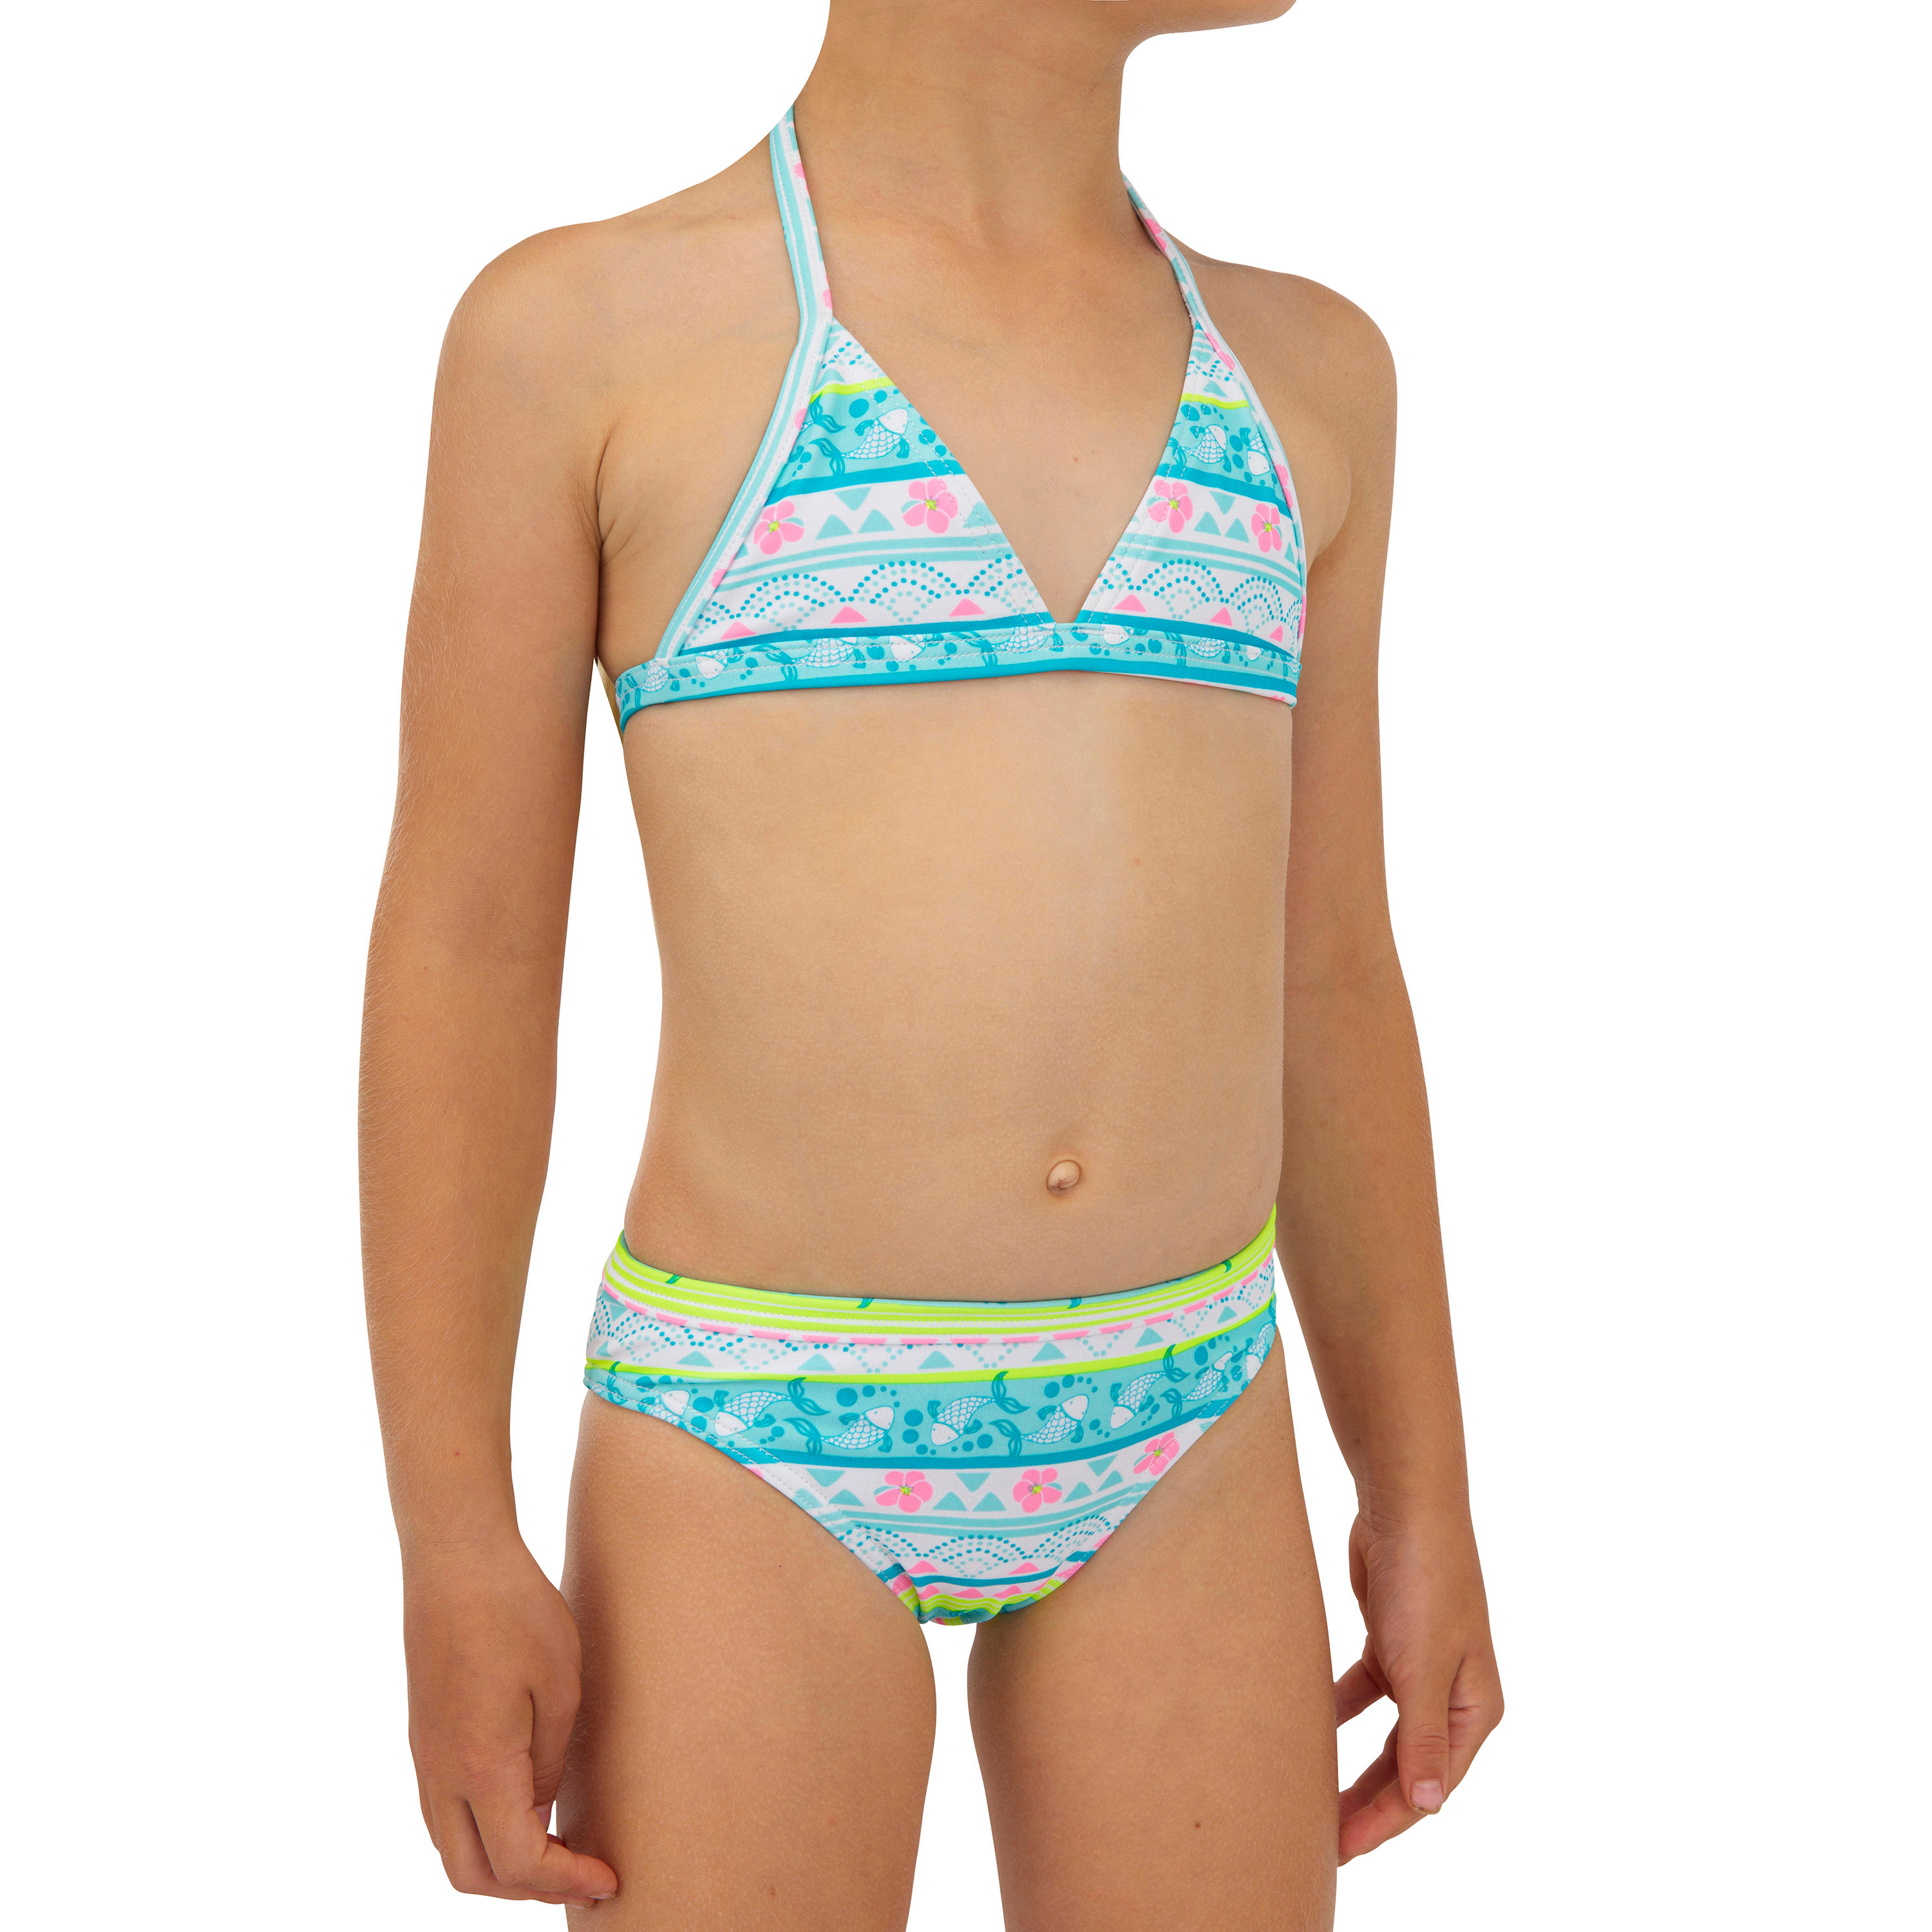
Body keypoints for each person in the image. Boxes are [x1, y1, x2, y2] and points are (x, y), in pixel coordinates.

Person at [359, 1, 1502, 1922]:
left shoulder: (1309, 375)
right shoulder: (589, 337)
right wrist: (449, 1534)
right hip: (753, 1427)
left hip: (1186, 1412)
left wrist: (1421, 1484)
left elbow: (1328, 973)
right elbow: (466, 949)